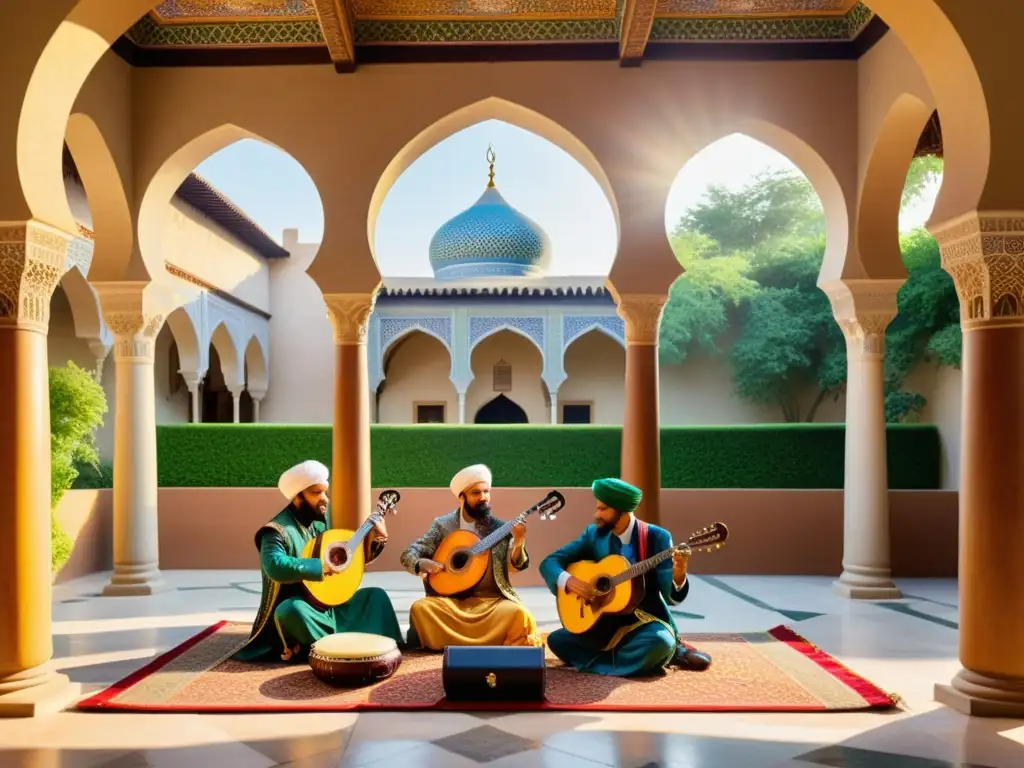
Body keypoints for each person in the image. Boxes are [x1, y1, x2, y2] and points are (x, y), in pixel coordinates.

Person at [233, 459, 403, 662]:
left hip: (329, 605)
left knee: (376, 597)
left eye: (325, 492)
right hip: (303, 609)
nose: (325, 499)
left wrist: (379, 538)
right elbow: (274, 565)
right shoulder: (275, 531)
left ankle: (352, 646)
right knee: (290, 611)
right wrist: (319, 566)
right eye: (316, 493)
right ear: (298, 497)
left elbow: (347, 562)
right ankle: (333, 647)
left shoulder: (319, 525)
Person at [540, 478, 712, 676]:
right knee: (557, 640)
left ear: (622, 511)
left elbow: (670, 594)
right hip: (602, 624)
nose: (596, 515)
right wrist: (569, 581)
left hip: (644, 622)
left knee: (661, 643)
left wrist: (679, 574)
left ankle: (607, 662)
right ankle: (629, 662)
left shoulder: (657, 537)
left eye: (603, 509)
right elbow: (550, 562)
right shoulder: (594, 535)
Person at [400, 464, 542, 650]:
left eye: (486, 492)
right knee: (421, 608)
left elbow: (514, 566)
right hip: (450, 603)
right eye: (476, 493)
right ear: (462, 497)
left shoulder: (499, 528)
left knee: (519, 614)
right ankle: (486, 643)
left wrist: (519, 542)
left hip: (491, 604)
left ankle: (452, 644)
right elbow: (408, 554)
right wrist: (421, 563)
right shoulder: (443, 526)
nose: (483, 498)